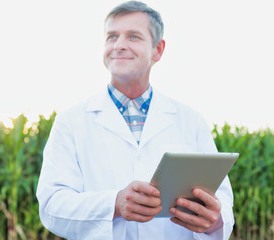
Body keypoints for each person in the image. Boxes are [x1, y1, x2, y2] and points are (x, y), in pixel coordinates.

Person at [36, 1, 234, 239]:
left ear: (158, 50)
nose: (119, 45)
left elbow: (221, 199)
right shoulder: (71, 121)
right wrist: (115, 204)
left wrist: (214, 221)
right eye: (112, 36)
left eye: (133, 37)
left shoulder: (191, 121)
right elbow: (51, 205)